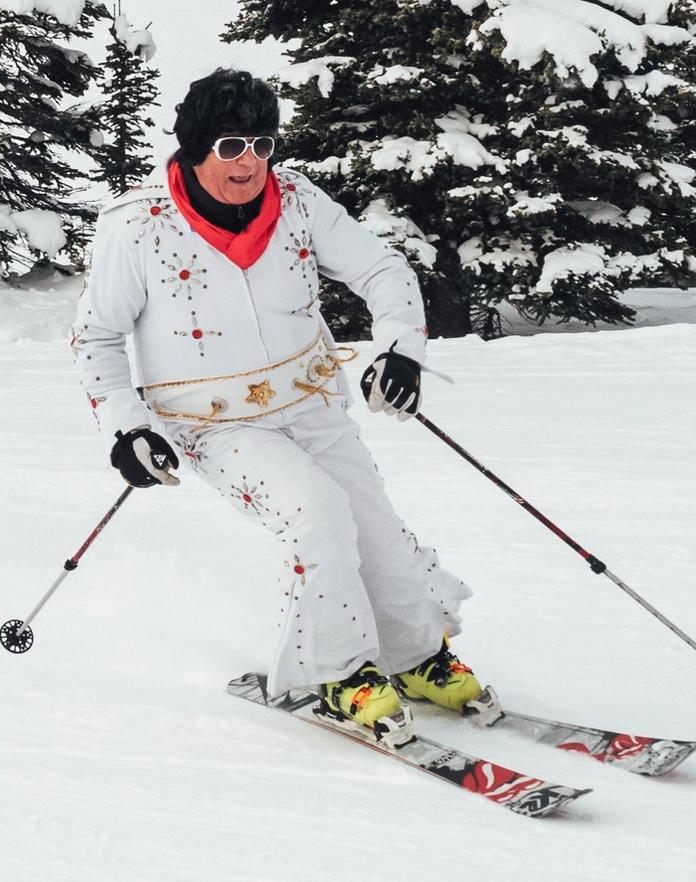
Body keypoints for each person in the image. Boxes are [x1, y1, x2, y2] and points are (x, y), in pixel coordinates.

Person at [70, 69, 483, 739]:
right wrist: (126, 428)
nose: (250, 162)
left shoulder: (295, 199)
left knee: (374, 527)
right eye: (232, 144)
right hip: (215, 424)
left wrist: (402, 348)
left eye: (263, 144)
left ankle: (415, 657)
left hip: (312, 402)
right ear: (197, 146)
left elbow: (382, 268)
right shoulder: (137, 225)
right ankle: (340, 672)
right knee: (317, 520)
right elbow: (97, 335)